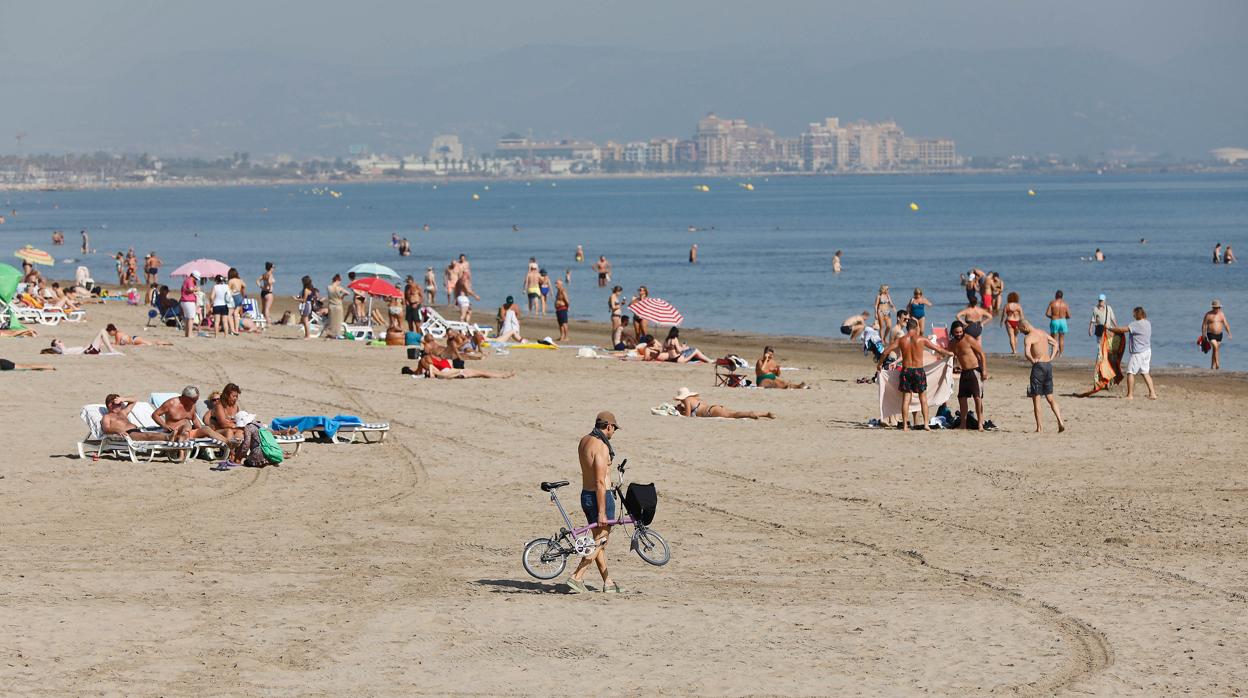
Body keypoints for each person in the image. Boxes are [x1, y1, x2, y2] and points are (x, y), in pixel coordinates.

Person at [563, 412, 624, 593]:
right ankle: (577, 576)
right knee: (601, 540)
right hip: (600, 497)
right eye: (614, 429)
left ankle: (608, 582)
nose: (614, 433)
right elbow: (599, 481)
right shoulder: (601, 447)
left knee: (598, 542)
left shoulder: (584, 441)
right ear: (609, 426)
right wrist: (602, 511)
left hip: (586, 495)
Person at [876, 319, 954, 431]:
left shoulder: (901, 340)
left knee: (906, 398)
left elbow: (885, 352)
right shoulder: (921, 339)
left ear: (907, 328)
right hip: (918, 371)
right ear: (916, 327)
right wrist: (949, 353)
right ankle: (926, 424)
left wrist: (879, 365)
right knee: (923, 398)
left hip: (906, 371)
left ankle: (905, 426)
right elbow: (938, 349)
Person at [1020, 322, 1066, 433]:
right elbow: (1055, 343)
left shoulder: (1029, 337)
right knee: (1050, 398)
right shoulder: (1043, 333)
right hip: (1048, 366)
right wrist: (1051, 358)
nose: (1022, 333)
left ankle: (1039, 428)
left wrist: (1032, 360)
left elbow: (1027, 353)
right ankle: (1060, 420)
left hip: (1039, 367)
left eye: (1021, 331)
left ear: (1025, 327)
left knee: (1036, 399)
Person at [1110, 307, 1157, 400]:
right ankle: (1153, 394)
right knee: (1145, 372)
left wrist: (1110, 329)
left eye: (1134, 314)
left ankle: (1130, 395)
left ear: (1137, 314)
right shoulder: (1148, 323)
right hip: (1147, 351)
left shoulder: (1135, 324)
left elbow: (1122, 330)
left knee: (1130, 372)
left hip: (1138, 353)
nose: (1133, 315)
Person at [152, 386, 229, 443]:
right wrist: (164, 425)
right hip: (174, 434)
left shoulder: (191, 405)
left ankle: (228, 442)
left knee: (207, 429)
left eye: (196, 400)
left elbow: (194, 419)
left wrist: (201, 430)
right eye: (194, 400)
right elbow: (155, 415)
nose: (195, 402)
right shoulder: (171, 404)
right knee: (185, 426)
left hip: (189, 433)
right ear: (185, 398)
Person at [949, 321, 988, 431]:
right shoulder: (951, 343)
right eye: (957, 332)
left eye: (961, 331)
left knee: (977, 398)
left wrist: (984, 370)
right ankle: (963, 424)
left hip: (975, 371)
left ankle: (980, 424)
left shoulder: (969, 339)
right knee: (962, 398)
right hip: (964, 372)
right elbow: (948, 356)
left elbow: (982, 353)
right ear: (952, 332)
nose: (959, 334)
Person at [102, 394, 188, 442]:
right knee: (148, 435)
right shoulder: (107, 417)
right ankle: (169, 438)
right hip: (127, 434)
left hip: (137, 430)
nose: (119, 405)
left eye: (119, 404)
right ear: (109, 405)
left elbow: (134, 400)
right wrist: (117, 430)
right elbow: (105, 429)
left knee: (153, 433)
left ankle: (177, 436)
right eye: (116, 404)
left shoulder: (123, 412)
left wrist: (123, 399)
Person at [673, 387, 775, 419]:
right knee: (735, 413)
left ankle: (750, 414)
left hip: (711, 412)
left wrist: (680, 411)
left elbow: (687, 416)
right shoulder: (694, 399)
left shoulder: (686, 400)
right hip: (714, 408)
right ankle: (765, 414)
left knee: (733, 415)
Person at [406, 351, 515, 379]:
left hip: (450, 371)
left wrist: (414, 372)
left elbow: (419, 372)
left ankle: (503, 375)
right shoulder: (436, 360)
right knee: (481, 373)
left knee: (481, 373)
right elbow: (434, 374)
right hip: (449, 371)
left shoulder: (427, 362)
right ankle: (503, 375)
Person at [1202, 299, 1232, 370]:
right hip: (1210, 334)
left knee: (1215, 350)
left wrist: (1229, 333)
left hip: (1219, 335)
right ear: (1213, 307)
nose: (1217, 309)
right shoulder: (1208, 315)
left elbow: (1226, 324)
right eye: (1215, 307)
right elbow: (1204, 325)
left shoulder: (1221, 314)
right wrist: (1203, 335)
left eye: (1218, 307)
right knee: (1215, 347)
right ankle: (1218, 364)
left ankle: (1212, 366)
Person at [1044, 290, 1071, 357]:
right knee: (1061, 338)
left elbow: (1047, 313)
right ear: (1062, 296)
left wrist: (1052, 317)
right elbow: (1069, 315)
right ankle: (1061, 354)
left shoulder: (1052, 303)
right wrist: (1064, 318)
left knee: (1053, 339)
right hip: (1063, 321)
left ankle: (1054, 353)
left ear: (1056, 295)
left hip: (1054, 321)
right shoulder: (1065, 304)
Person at [105, 323, 171, 346]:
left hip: (134, 340)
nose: (109, 334)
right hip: (134, 339)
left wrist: (108, 344)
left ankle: (166, 343)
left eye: (109, 332)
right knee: (150, 343)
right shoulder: (118, 332)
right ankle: (165, 343)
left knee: (151, 343)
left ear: (112, 331)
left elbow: (117, 344)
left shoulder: (117, 334)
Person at [324, 274, 346, 339]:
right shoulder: (339, 288)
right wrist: (342, 295)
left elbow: (331, 295)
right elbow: (347, 293)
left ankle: (331, 334)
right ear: (337, 280)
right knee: (338, 321)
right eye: (340, 281)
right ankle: (336, 334)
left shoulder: (328, 287)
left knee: (332, 320)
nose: (340, 283)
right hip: (338, 305)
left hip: (331, 305)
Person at [179, 271, 200, 338]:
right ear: (193, 276)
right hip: (188, 301)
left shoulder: (187, 280)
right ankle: (190, 334)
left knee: (187, 318)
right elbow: (191, 289)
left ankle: (187, 333)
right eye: (196, 278)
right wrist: (196, 289)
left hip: (184, 301)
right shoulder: (190, 280)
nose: (196, 280)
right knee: (191, 318)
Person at [298, 275, 319, 340]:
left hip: (306, 305)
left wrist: (296, 299)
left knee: (305, 320)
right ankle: (307, 335)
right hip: (308, 304)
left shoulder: (306, 290)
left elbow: (304, 300)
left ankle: (307, 335)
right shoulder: (310, 289)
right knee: (305, 320)